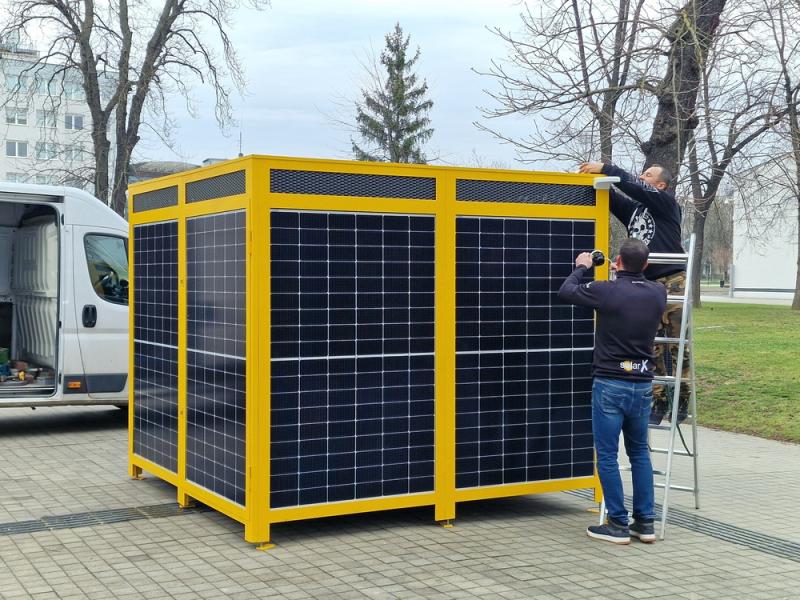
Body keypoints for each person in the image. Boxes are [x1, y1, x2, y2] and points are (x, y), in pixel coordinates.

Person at [558, 239, 666, 544]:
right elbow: (637, 282)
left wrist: (582, 267)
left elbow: (566, 291)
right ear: (646, 265)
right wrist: (623, 271)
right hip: (642, 385)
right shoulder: (659, 292)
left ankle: (617, 524)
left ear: (617, 262)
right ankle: (645, 523)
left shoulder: (607, 290)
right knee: (639, 453)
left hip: (610, 383)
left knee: (607, 455)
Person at [578, 161, 690, 424]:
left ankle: (681, 399)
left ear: (661, 185)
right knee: (650, 345)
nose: (642, 176)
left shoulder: (666, 204)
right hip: (645, 284)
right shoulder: (635, 210)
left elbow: (634, 186)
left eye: (648, 175)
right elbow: (611, 198)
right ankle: (658, 400)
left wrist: (606, 167)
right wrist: (586, 181)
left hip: (671, 280)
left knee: (676, 344)